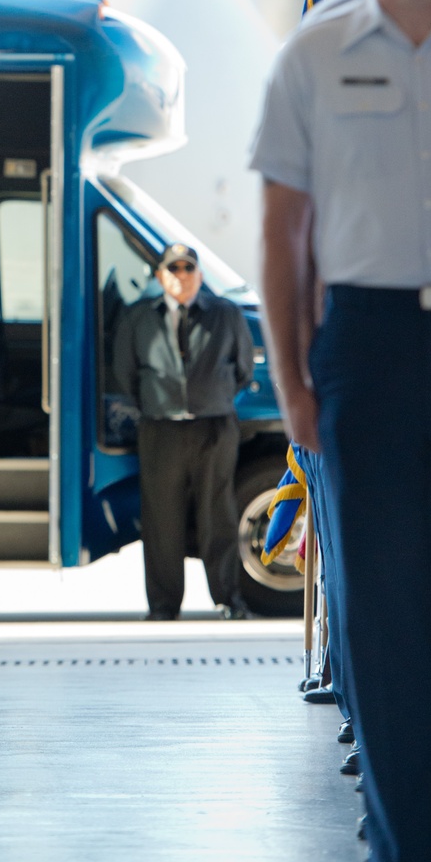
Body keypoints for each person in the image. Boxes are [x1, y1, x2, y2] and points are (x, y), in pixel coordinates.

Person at [252, 0, 431, 862]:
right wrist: (290, 384)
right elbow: (283, 236)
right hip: (364, 351)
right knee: (377, 614)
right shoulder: (315, 54)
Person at [113, 242, 254, 621]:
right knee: (162, 521)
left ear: (200, 276)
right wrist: (159, 405)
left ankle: (228, 600)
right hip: (161, 432)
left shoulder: (226, 315)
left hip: (215, 428)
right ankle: (163, 606)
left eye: (188, 269)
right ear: (160, 276)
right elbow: (125, 373)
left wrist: (210, 399)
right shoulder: (138, 318)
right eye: (173, 269)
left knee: (218, 515)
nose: (181, 276)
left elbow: (243, 370)